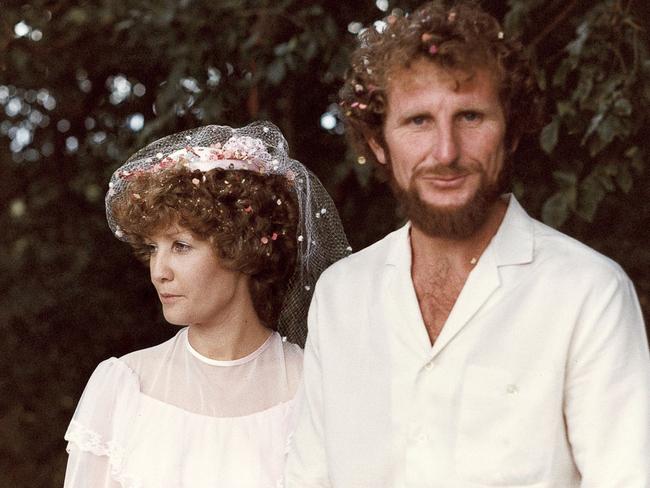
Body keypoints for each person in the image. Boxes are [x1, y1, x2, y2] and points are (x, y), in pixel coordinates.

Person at [285, 2, 650, 487]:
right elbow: (309, 477)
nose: (446, 152)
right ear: (378, 143)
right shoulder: (341, 294)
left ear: (512, 131)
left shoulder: (588, 291)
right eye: (417, 121)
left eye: (471, 116)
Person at [63, 122, 350, 487]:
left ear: (242, 247)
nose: (158, 272)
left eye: (180, 246)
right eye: (153, 248)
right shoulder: (125, 386)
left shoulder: (312, 388)